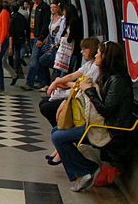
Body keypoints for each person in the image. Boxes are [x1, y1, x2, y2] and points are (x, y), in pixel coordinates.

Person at [51, 41, 133, 192]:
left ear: (107, 57)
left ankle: (86, 170)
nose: (96, 55)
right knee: (56, 131)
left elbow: (106, 109)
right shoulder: (108, 76)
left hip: (109, 128)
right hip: (100, 122)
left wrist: (89, 91)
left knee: (58, 137)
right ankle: (82, 172)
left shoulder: (117, 80)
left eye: (99, 53)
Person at [41, 37, 101, 164]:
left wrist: (65, 84)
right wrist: (58, 81)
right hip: (79, 98)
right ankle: (60, 145)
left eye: (84, 49)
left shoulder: (96, 68)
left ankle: (62, 146)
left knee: (48, 108)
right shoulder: (90, 64)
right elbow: (75, 76)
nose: (82, 52)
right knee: (45, 104)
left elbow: (82, 85)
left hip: (82, 102)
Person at [23, 0, 50, 90]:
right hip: (31, 36)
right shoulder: (32, 7)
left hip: (38, 37)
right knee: (38, 59)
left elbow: (45, 24)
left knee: (33, 60)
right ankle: (43, 81)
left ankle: (29, 83)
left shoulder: (44, 8)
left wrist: (41, 38)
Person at [37, 2, 66, 89]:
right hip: (50, 43)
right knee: (42, 60)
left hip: (57, 44)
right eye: (51, 8)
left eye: (54, 7)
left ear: (58, 8)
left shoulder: (62, 19)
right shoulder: (51, 18)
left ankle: (53, 83)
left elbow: (61, 32)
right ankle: (48, 82)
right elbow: (50, 32)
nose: (52, 9)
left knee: (49, 61)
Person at [6, 2, 28, 85]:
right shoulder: (22, 17)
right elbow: (26, 27)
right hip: (21, 37)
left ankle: (14, 68)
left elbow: (11, 30)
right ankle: (17, 65)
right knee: (18, 52)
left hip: (13, 38)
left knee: (11, 54)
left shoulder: (12, 18)